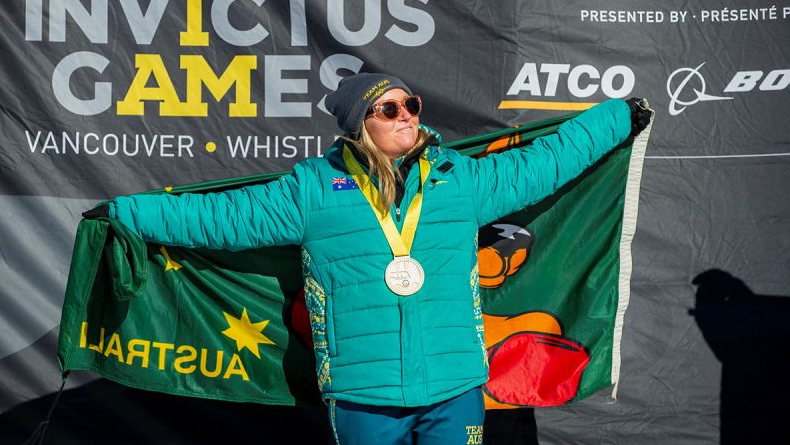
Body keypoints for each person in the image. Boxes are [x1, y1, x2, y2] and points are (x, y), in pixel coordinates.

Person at [84, 72, 650, 445]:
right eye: (390, 108)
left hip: (454, 389)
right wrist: (127, 213)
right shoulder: (312, 191)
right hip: (363, 394)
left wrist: (618, 118)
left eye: (412, 104)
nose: (407, 115)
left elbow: (547, 161)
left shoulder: (461, 180)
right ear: (361, 124)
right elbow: (220, 218)